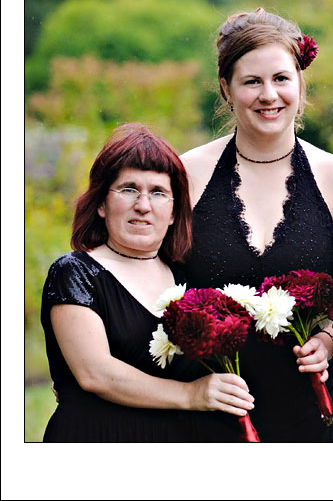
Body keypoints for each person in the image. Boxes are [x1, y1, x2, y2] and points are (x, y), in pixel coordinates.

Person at [180, 8, 333, 442]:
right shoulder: (187, 175)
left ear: (300, 82)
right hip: (212, 413)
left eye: (281, 78)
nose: (269, 95)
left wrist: (328, 341)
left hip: (312, 411)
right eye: (251, 82)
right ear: (226, 88)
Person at [41, 124, 255, 442]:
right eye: (128, 189)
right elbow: (95, 374)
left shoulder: (188, 281)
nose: (143, 205)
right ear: (101, 204)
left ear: (174, 212)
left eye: (158, 192)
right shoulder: (74, 273)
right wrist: (192, 394)